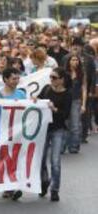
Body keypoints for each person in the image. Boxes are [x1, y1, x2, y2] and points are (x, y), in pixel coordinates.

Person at [37, 67, 72, 202]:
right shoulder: (46, 89)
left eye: (54, 77)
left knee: (55, 161)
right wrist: (35, 100)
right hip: (44, 129)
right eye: (50, 77)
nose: (51, 80)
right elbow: (39, 100)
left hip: (58, 130)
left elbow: (65, 114)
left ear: (62, 80)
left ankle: (55, 189)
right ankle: (44, 182)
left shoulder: (67, 94)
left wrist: (54, 109)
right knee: (41, 159)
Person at [0, 67, 26, 201]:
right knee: (5, 158)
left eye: (18, 78)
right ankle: (7, 186)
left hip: (18, 132)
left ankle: (12, 186)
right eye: (13, 79)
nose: (16, 81)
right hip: (3, 132)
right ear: (5, 79)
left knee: (16, 158)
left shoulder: (22, 95)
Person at [63, 54, 87, 154]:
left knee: (75, 125)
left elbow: (84, 89)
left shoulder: (82, 73)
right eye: (73, 60)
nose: (75, 62)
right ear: (69, 61)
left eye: (77, 60)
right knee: (65, 124)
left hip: (76, 100)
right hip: (65, 101)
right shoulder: (64, 73)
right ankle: (63, 145)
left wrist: (84, 104)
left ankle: (74, 146)